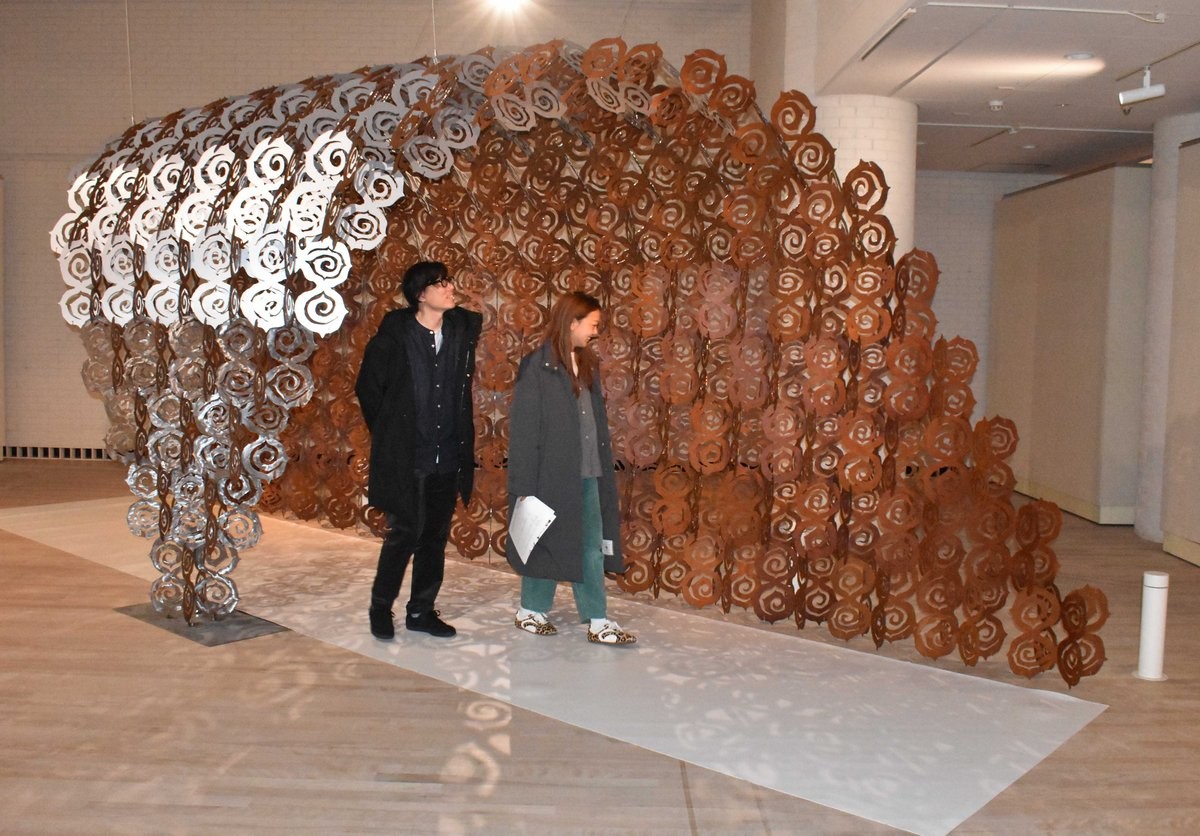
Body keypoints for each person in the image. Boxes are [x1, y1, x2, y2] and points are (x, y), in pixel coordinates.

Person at [355, 260, 482, 640]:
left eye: (449, 281)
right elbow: (368, 388)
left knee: (435, 538)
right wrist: (391, 434)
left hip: (447, 453)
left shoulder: (460, 331)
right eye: (440, 283)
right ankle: (380, 608)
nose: (450, 287)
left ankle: (421, 611)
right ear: (421, 295)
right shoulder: (396, 335)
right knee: (404, 534)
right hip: (409, 456)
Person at [505, 291, 635, 645]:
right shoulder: (537, 366)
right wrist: (523, 487)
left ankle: (598, 619)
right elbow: (524, 431)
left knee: (590, 546)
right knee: (543, 540)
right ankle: (530, 610)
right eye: (593, 324)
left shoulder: (588, 364)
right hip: (549, 475)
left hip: (588, 472)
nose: (596, 331)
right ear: (572, 322)